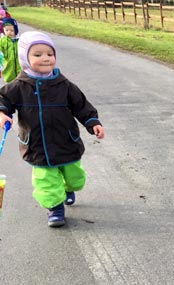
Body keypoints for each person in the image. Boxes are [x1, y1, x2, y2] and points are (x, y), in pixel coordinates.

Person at [0, 31, 105, 227]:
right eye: (37, 55)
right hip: (37, 144)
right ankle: (55, 207)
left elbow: (81, 105)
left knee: (75, 178)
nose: (46, 58)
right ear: (25, 58)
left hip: (66, 140)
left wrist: (93, 122)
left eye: (50, 54)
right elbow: (3, 99)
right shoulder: (19, 86)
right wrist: (2, 113)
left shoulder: (64, 84)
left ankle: (68, 188)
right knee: (46, 180)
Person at [0, 18, 21, 83]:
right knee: (10, 83)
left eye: (12, 30)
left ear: (16, 30)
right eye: (6, 30)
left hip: (20, 66)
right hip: (8, 66)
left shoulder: (20, 40)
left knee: (21, 81)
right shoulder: (2, 40)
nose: (9, 32)